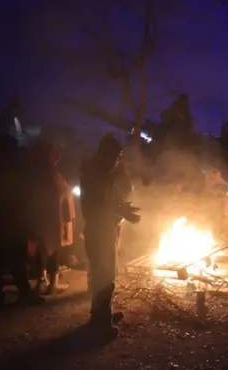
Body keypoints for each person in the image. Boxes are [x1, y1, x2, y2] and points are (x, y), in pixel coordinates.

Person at [80, 134, 140, 329]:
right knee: (104, 274)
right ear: (108, 154)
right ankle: (102, 322)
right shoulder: (95, 172)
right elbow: (101, 200)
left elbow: (112, 196)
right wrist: (123, 211)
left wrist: (124, 207)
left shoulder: (100, 171)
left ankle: (101, 313)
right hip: (100, 229)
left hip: (104, 227)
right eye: (117, 156)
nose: (118, 161)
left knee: (102, 272)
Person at [0, 133, 43, 308]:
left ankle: (1, 295)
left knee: (4, 260)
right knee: (10, 259)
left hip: (3, 220)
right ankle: (16, 294)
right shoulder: (7, 168)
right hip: (9, 220)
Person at [32, 139, 75, 295]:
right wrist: (67, 218)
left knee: (42, 248)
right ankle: (51, 282)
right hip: (52, 218)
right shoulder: (51, 174)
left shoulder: (39, 173)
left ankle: (41, 281)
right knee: (52, 248)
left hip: (42, 218)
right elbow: (62, 195)